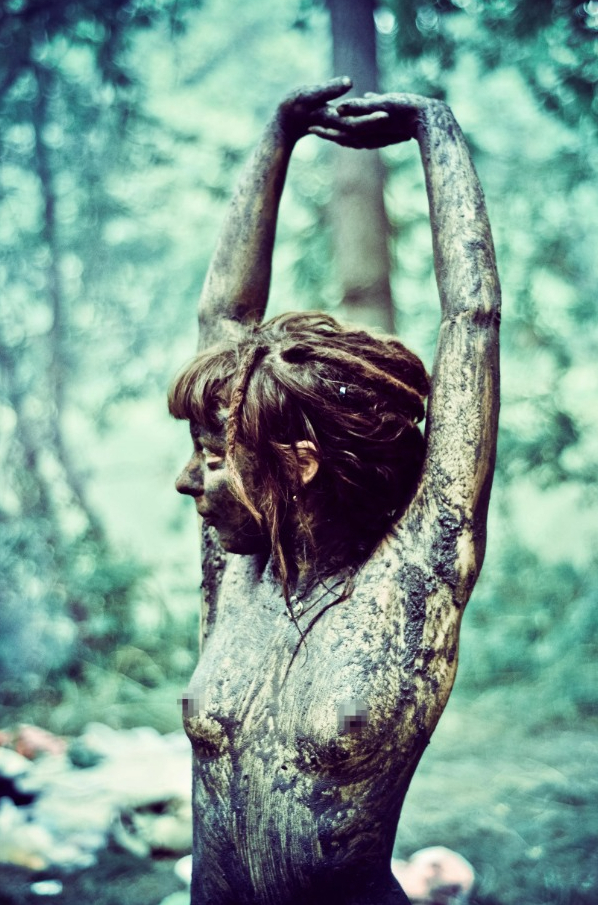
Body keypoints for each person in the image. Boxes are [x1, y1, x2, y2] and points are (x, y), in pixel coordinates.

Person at [169, 78, 500, 905]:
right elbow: (224, 321)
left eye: (212, 456)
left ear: (298, 463)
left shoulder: (414, 579)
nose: (188, 479)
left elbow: (472, 319)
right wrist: (277, 137)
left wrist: (436, 130)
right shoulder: (238, 568)